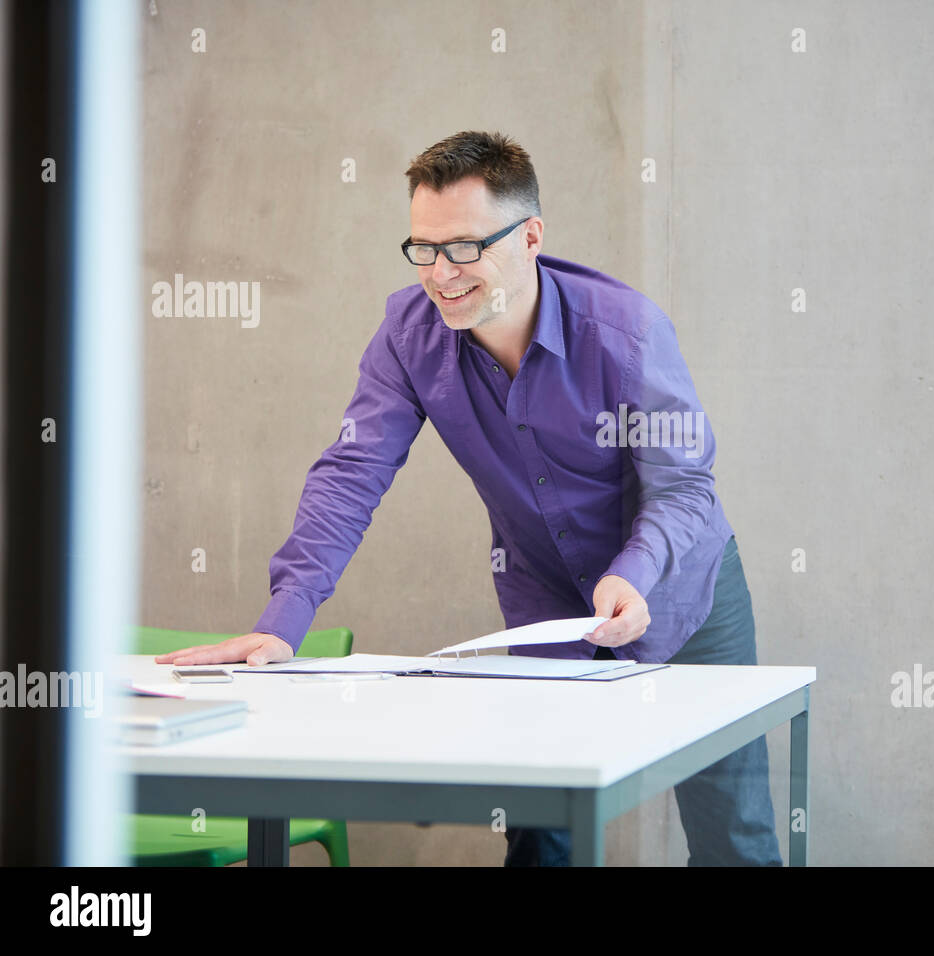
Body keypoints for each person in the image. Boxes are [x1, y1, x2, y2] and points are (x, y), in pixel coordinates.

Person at [156, 130, 782, 866]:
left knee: (732, 836)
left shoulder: (627, 334)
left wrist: (634, 573)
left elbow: (683, 487)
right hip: (547, 607)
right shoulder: (406, 337)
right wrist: (284, 620)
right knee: (540, 825)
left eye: (463, 247)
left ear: (531, 236)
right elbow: (351, 473)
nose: (441, 274)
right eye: (423, 247)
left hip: (682, 590)